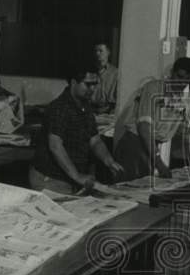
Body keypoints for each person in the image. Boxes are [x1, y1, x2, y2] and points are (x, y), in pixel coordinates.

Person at [29, 65, 125, 194]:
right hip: (50, 179)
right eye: (88, 84)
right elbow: (55, 146)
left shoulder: (85, 106)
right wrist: (77, 176)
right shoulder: (60, 107)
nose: (92, 89)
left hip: (69, 179)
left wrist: (109, 161)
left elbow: (95, 140)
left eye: (95, 84)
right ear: (74, 82)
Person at [113, 58, 190, 180]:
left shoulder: (182, 104)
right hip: (134, 145)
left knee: (143, 189)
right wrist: (159, 162)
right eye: (179, 77)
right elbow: (144, 128)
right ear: (172, 72)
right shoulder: (153, 88)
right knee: (126, 190)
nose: (181, 83)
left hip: (151, 150)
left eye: (187, 81)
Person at [92, 41, 119, 114]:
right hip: (91, 112)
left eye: (101, 51)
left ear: (108, 52)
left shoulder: (116, 73)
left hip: (108, 114)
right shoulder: (90, 72)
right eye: (96, 51)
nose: (97, 54)